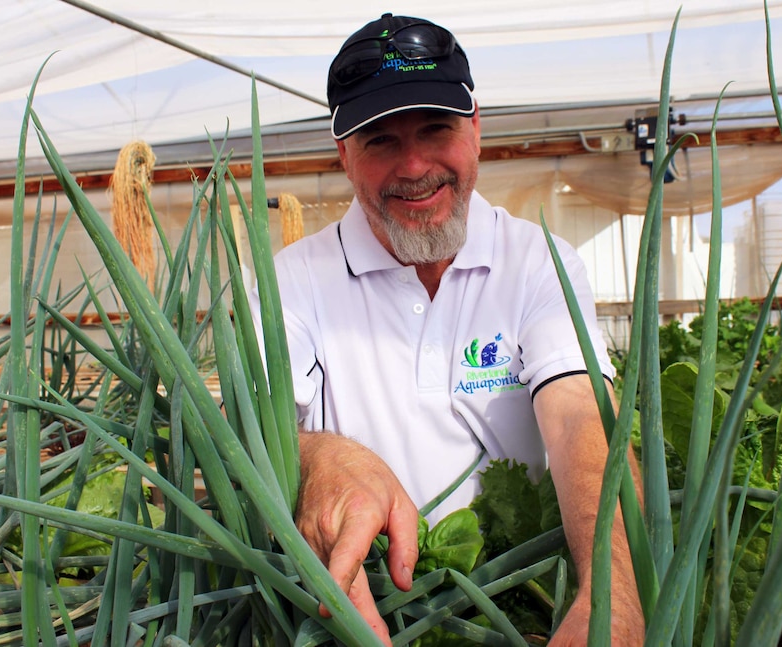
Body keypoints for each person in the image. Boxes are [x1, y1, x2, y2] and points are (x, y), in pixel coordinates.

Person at [251, 12, 643, 645]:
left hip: (527, 609)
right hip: (361, 605)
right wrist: (321, 454)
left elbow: (580, 418)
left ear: (476, 128)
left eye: (436, 129)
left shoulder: (539, 263)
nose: (414, 165)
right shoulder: (289, 282)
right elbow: (256, 433)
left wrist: (614, 596)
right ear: (344, 155)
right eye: (380, 140)